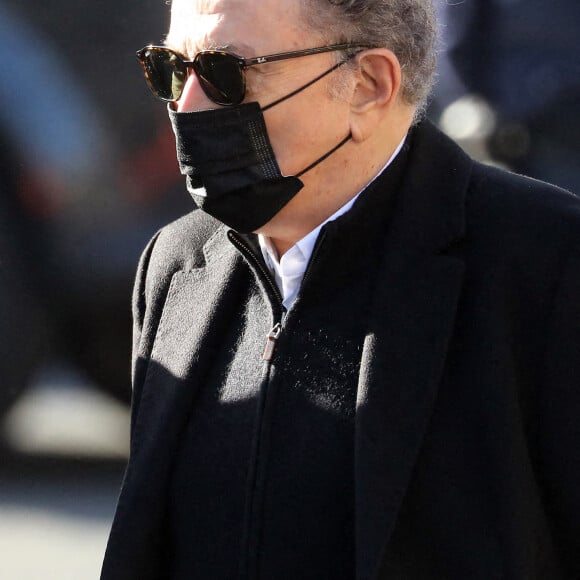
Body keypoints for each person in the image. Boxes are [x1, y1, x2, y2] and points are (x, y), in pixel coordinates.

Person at [101, 0, 580, 578]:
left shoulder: (542, 262)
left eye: (228, 74)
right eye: (170, 70)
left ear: (368, 85)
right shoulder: (176, 266)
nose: (186, 106)